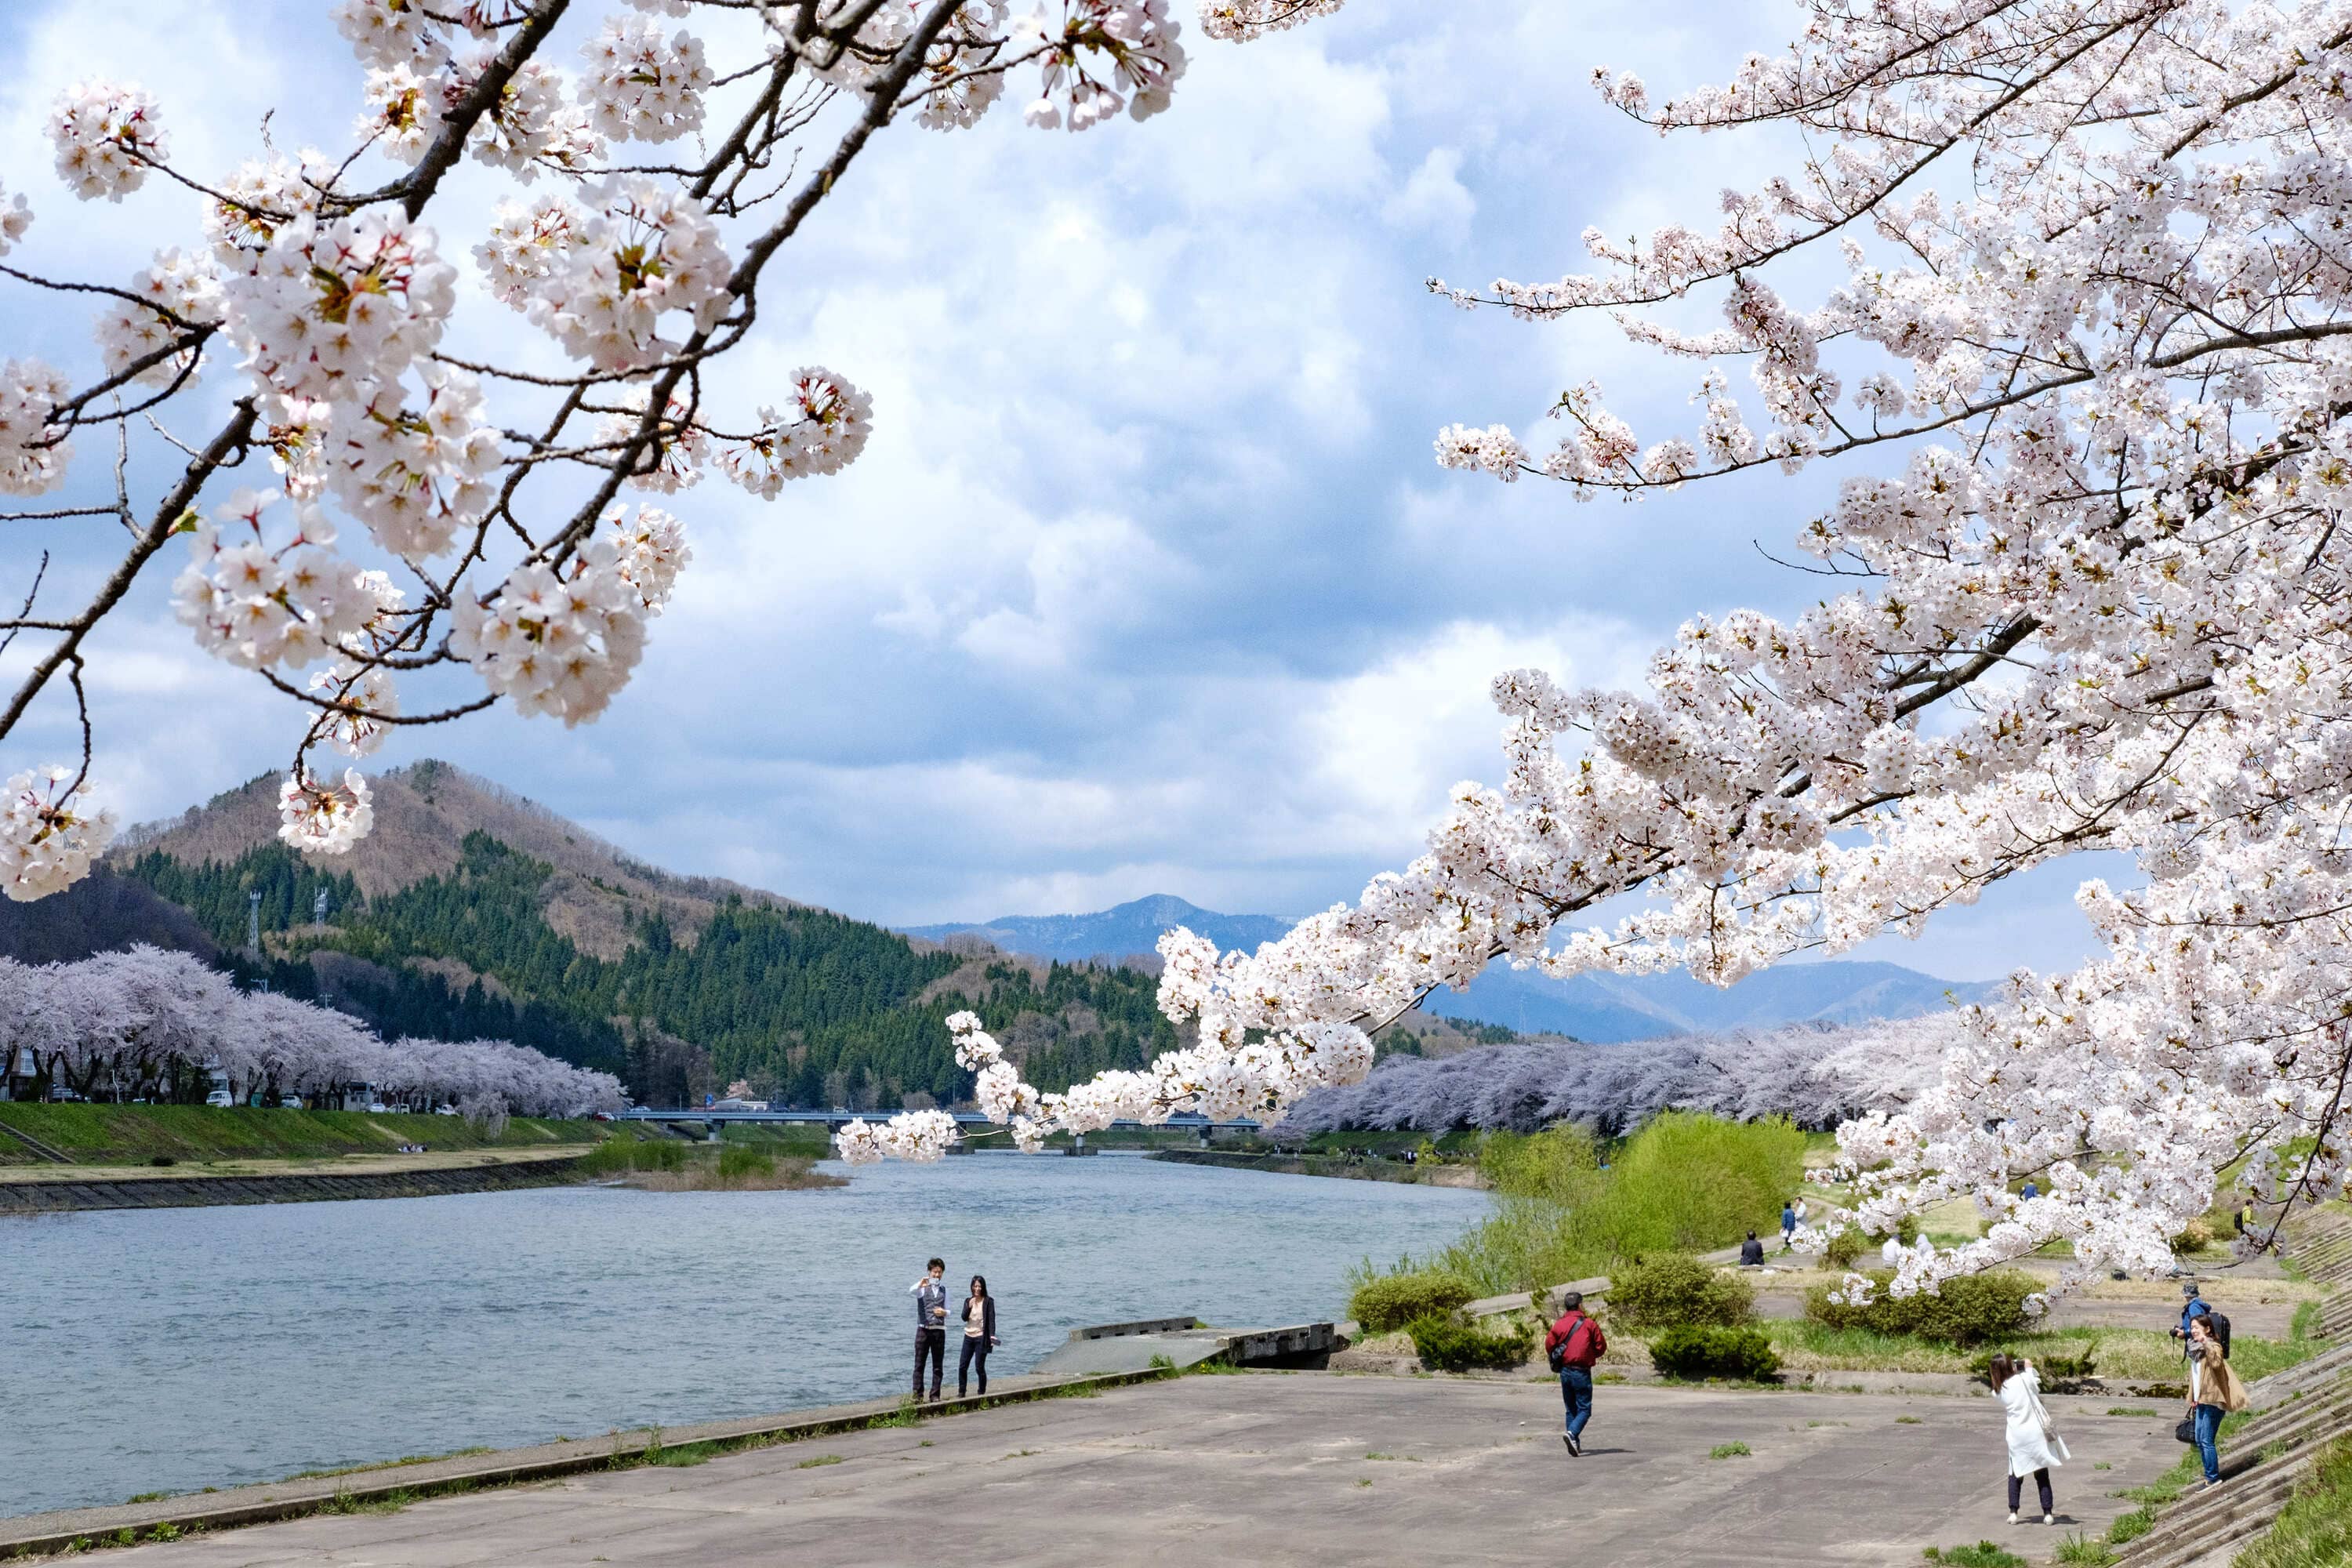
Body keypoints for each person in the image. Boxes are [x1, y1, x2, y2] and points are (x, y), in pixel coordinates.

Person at [1988, 1352, 2067, 1524]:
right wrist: (2020, 1364)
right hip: (2035, 1433)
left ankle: (2013, 1513)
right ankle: (2047, 1513)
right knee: (2041, 1473)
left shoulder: (1997, 1392)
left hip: (2016, 1435)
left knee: (2015, 1473)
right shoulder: (2024, 1379)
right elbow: (2030, 1366)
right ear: (2009, 1366)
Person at [1544, 1290, 1606, 1456]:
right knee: (1585, 1409)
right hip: (1582, 1371)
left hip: (1565, 1371)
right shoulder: (1589, 1324)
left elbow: (1549, 1345)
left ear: (1566, 1306)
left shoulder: (1559, 1324)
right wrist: (1589, 1354)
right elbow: (1601, 1347)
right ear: (1580, 1305)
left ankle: (1575, 1445)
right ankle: (1572, 1434)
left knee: (1570, 1409)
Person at [2186, 1315, 2247, 1486]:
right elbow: (2197, 1377)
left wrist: (2206, 1342)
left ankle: (2213, 1478)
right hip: (2202, 1400)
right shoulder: (2196, 1350)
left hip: (2213, 1401)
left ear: (2207, 1329)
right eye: (2192, 1327)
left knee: (2206, 1440)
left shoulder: (2213, 1346)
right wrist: (2194, 1398)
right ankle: (2208, 1476)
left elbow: (2216, 1363)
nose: (2194, 1330)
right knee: (2199, 1439)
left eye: (2197, 1327)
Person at [909, 1257, 949, 1400]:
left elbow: (949, 1310)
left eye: (940, 1272)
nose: (937, 1275)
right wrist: (920, 1283)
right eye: (934, 1272)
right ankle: (918, 1395)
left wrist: (944, 1313)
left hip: (939, 1330)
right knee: (919, 1364)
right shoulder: (921, 1289)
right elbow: (911, 1291)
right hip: (923, 1330)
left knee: (938, 1366)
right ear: (929, 1272)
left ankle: (935, 1395)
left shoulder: (944, 1290)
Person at [958, 1275, 999, 1397]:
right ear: (972, 1287)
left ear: (983, 1287)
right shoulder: (968, 1300)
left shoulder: (988, 1301)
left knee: (979, 1367)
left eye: (979, 1286)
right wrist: (968, 1307)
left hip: (981, 1337)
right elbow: (964, 1318)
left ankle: (981, 1391)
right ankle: (962, 1391)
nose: (977, 1289)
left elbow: (991, 1320)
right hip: (968, 1336)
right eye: (975, 1286)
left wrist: (992, 1336)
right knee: (962, 1366)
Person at [2171, 1282, 2213, 1353]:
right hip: (2200, 1341)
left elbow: (2198, 1325)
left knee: (2198, 1363)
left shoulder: (2193, 1307)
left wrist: (2185, 1333)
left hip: (2198, 1343)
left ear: (2185, 1294)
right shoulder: (2197, 1304)